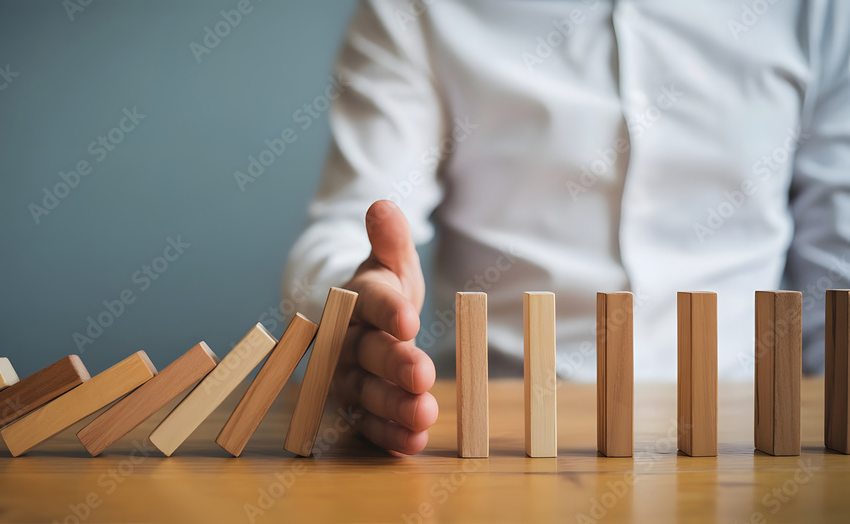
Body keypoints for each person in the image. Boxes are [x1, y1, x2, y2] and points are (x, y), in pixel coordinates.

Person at [282, 0, 850, 455]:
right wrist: (355, 313)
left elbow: (838, 271)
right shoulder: (415, 9)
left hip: (745, 436)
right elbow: (348, 231)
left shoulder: (818, 11)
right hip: (493, 435)